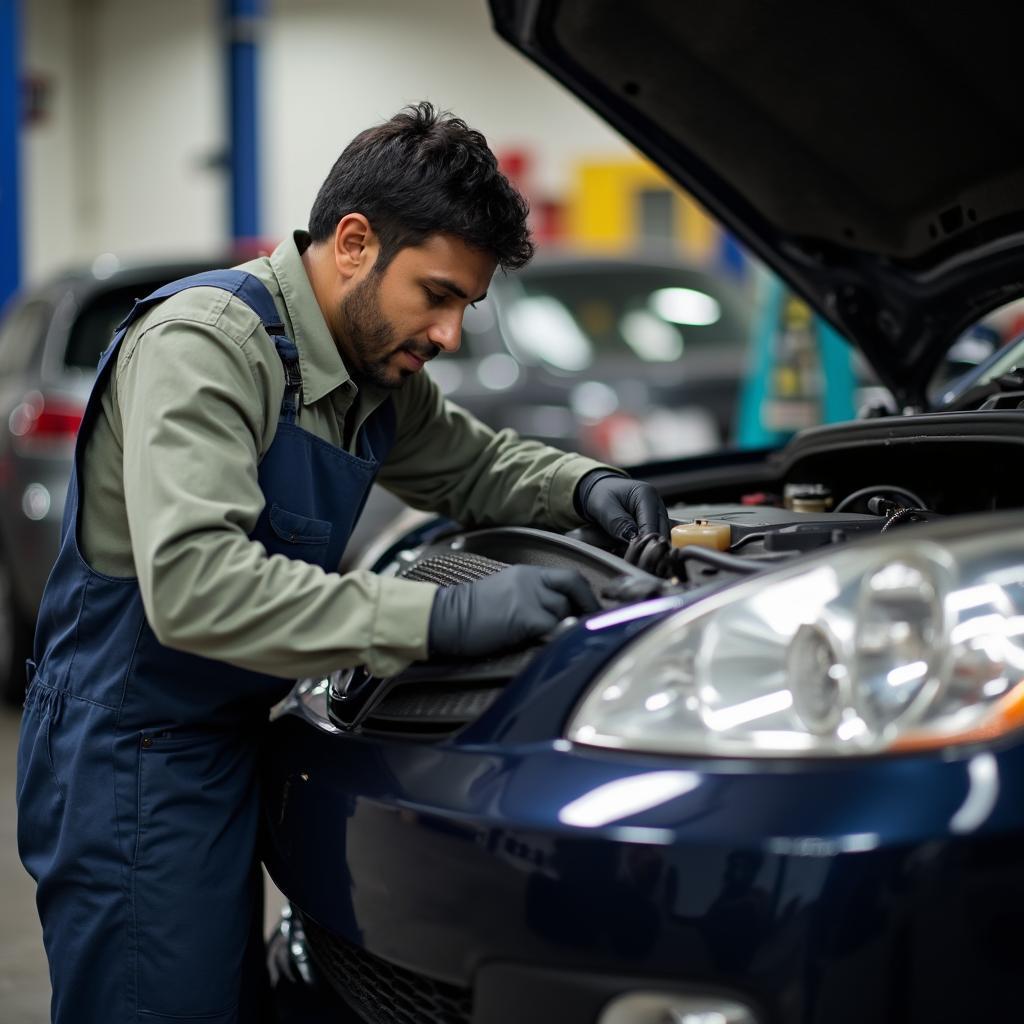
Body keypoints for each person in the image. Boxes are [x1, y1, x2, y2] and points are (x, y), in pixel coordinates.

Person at [16, 101, 669, 1024]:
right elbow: (197, 589)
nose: (448, 334)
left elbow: (475, 463)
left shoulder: (369, 370)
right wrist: (435, 617)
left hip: (225, 736)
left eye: (466, 308)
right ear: (355, 242)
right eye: (437, 295)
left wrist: (584, 485)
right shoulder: (208, 347)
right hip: (132, 750)